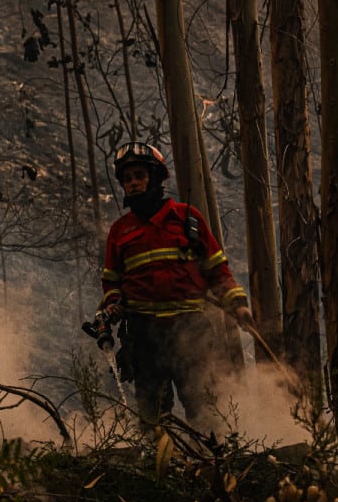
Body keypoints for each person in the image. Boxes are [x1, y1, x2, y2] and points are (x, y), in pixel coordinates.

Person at [98, 141, 253, 432]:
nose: (132, 183)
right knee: (153, 416)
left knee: (206, 408)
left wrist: (238, 304)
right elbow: (111, 281)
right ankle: (160, 471)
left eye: (139, 176)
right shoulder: (120, 232)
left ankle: (214, 465)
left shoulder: (187, 219)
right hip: (144, 336)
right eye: (127, 179)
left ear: (155, 177)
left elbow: (217, 269)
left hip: (192, 331)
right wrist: (113, 302)